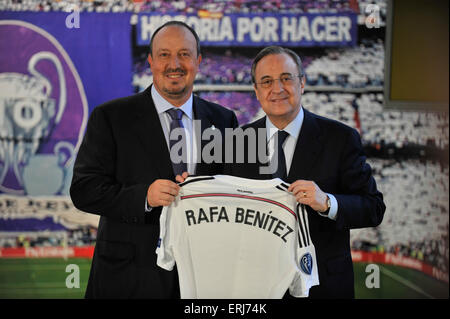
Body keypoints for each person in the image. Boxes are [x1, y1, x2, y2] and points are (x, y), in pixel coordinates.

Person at [70, 21, 238, 298]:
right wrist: (144, 197)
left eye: (184, 54)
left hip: (200, 277)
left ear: (198, 61)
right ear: (150, 61)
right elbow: (84, 190)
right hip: (128, 278)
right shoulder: (111, 117)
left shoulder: (224, 120)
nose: (175, 63)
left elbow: (233, 189)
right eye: (164, 54)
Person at [225, 46, 385, 298]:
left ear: (303, 83)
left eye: (286, 78)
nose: (277, 88)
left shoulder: (341, 138)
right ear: (256, 91)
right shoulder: (236, 143)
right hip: (258, 287)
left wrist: (328, 202)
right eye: (267, 81)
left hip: (323, 287)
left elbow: (373, 208)